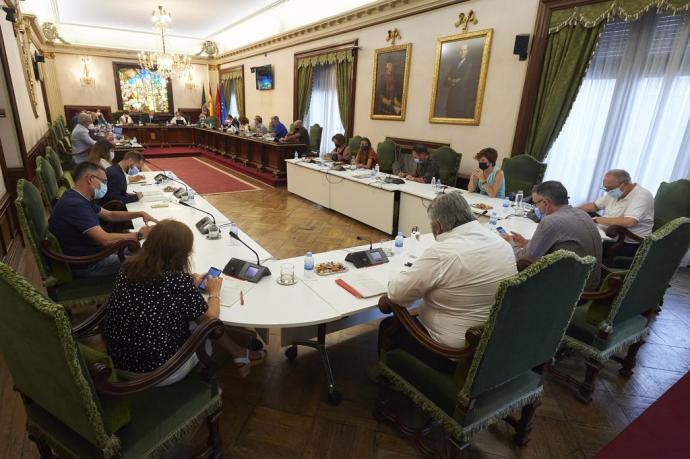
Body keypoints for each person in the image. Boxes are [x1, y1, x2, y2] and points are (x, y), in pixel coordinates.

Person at [103, 219, 266, 383]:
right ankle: (237, 353)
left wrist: (188, 281)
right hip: (159, 371)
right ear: (181, 254)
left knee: (192, 315)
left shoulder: (128, 267)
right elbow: (211, 320)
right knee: (204, 324)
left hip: (119, 361)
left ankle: (238, 352)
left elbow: (157, 289)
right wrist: (214, 292)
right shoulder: (177, 282)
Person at [378, 192, 516, 374]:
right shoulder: (501, 243)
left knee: (388, 326)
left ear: (437, 227)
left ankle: (386, 378)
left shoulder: (443, 253)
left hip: (451, 353)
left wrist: (402, 275)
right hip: (492, 343)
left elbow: (397, 295)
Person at [48, 162, 158, 278]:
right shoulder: (75, 205)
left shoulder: (77, 196)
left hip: (94, 251)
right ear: (90, 179)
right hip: (88, 263)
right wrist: (139, 235)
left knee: (145, 250)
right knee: (152, 264)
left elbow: (110, 215)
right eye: (104, 182)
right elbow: (105, 239)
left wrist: (139, 213)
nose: (106, 185)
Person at [503, 181, 602, 290]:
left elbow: (525, 259)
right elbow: (562, 244)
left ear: (546, 203)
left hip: (570, 290)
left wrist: (509, 243)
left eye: (535, 203)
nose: (535, 207)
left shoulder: (551, 221)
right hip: (591, 283)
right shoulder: (583, 214)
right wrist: (526, 242)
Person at [578, 169, 654, 257]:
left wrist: (598, 220)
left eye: (609, 188)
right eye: (605, 188)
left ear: (625, 184)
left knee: (581, 246)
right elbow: (594, 206)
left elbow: (629, 222)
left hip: (626, 243)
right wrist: (572, 210)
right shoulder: (615, 192)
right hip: (607, 235)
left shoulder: (642, 195)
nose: (607, 191)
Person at [443, 44, 479, 119]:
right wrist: (454, 81)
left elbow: (463, 82)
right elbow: (445, 82)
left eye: (464, 50)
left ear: (467, 52)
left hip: (460, 101)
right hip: (450, 101)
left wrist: (451, 80)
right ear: (459, 52)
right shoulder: (454, 64)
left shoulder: (469, 65)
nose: (462, 52)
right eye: (461, 50)